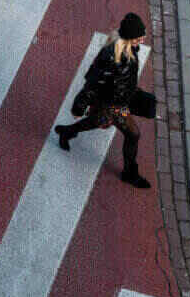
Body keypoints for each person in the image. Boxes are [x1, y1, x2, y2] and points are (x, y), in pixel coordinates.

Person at [55, 12, 150, 189]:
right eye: (139, 37)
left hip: (117, 101)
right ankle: (129, 174)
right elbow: (92, 84)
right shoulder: (112, 57)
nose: (143, 39)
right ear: (129, 38)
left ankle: (67, 132)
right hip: (112, 104)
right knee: (133, 134)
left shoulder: (128, 51)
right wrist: (78, 107)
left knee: (97, 121)